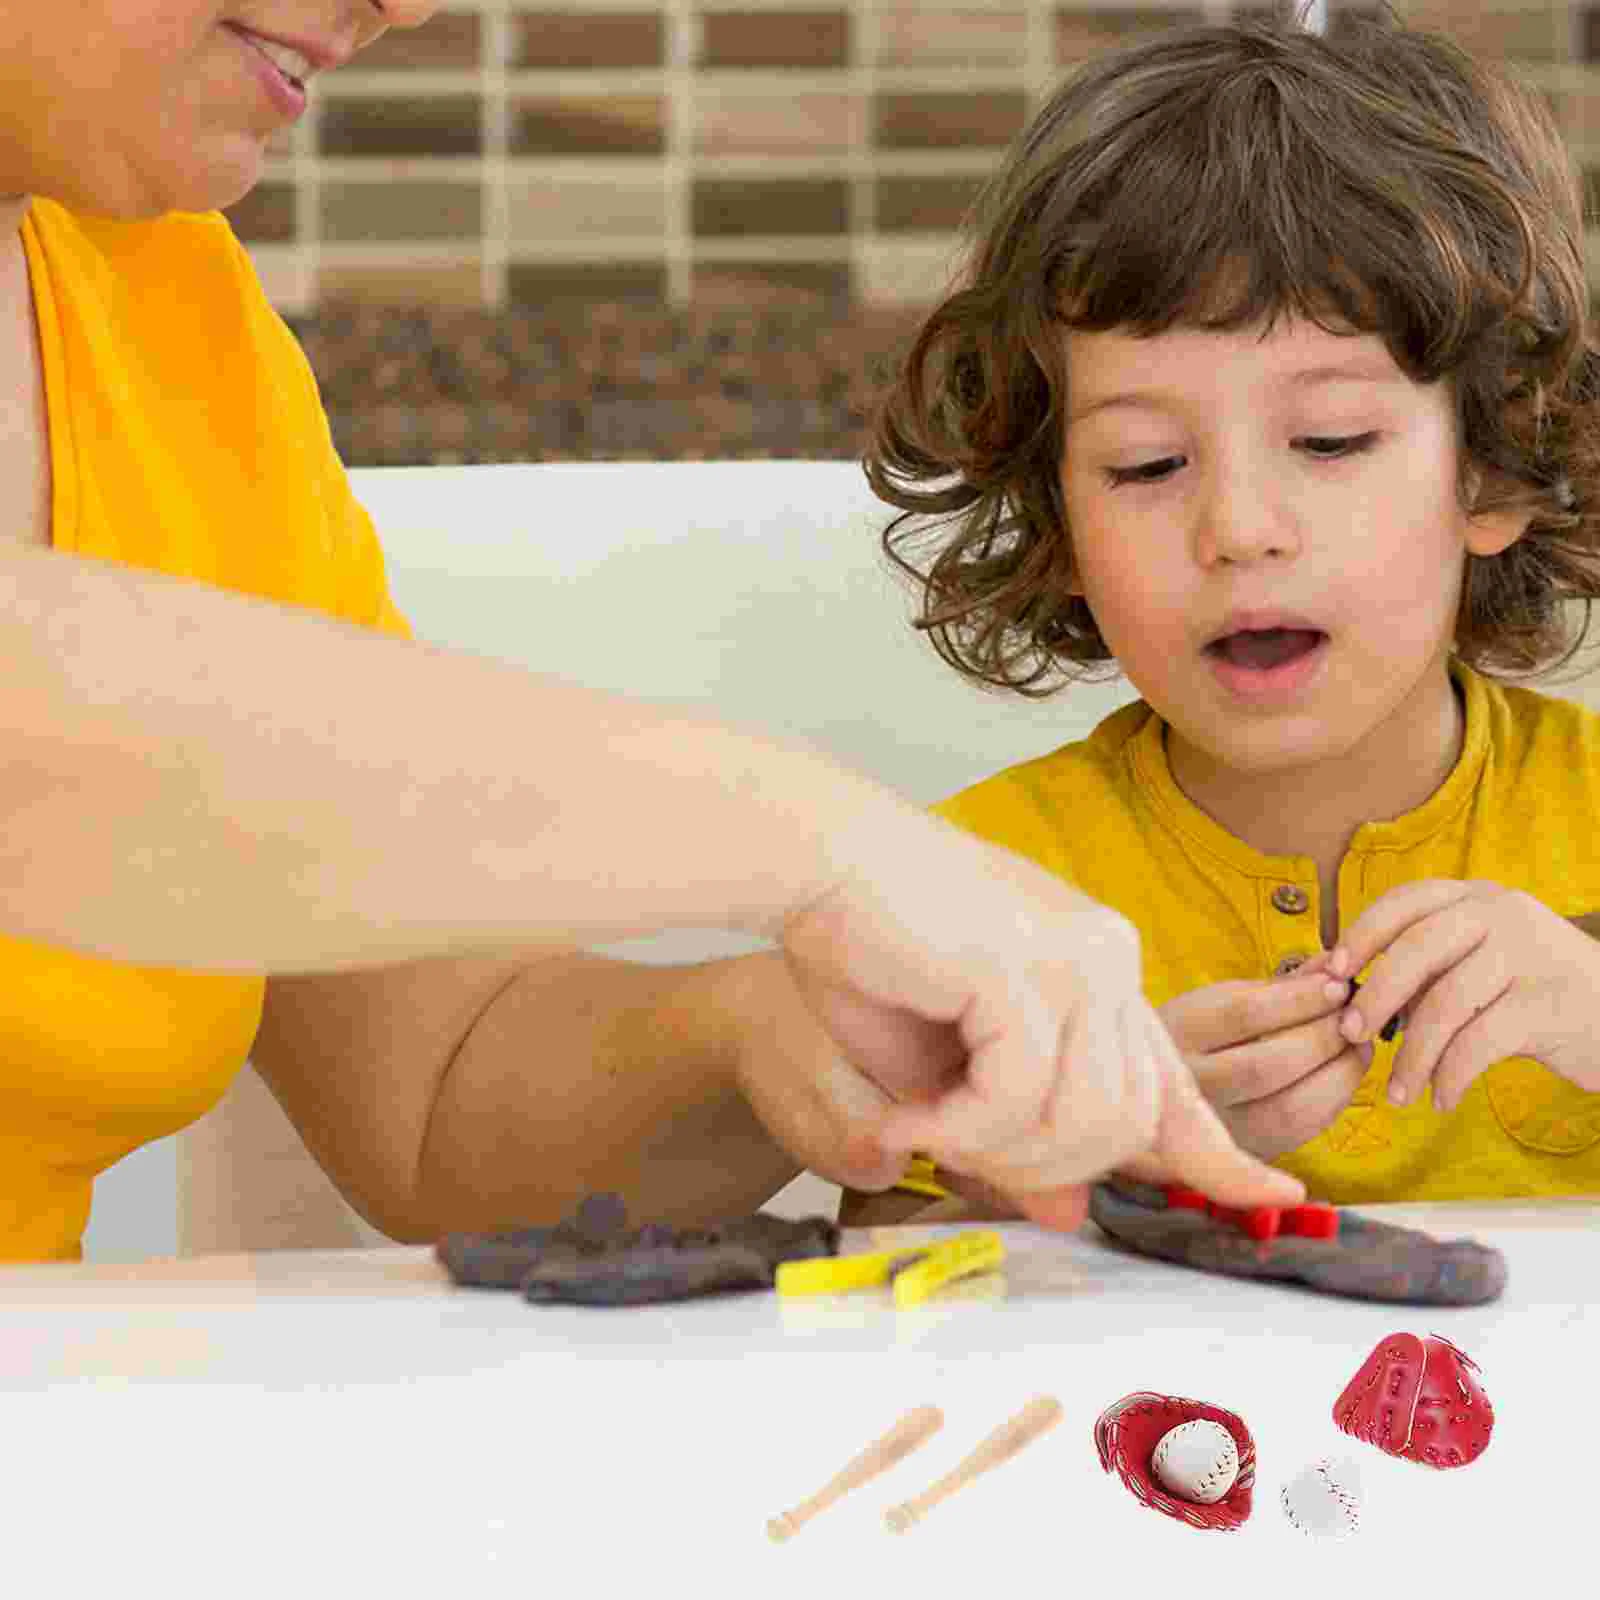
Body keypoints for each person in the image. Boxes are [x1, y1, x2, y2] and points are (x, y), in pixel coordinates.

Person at [0, 2, 1303, 1264]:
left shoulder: (170, 310)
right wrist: (815, 845)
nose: (404, 3)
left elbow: (429, 1095)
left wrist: (763, 1038)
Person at [815, 4, 1600, 1223]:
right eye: (1143, 466)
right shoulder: (983, 890)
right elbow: (878, 1272)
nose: (1238, 527)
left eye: (1329, 440)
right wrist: (1098, 1154)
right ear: (1056, 519)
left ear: (1493, 468)